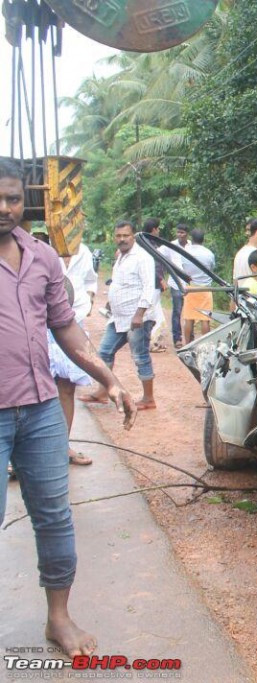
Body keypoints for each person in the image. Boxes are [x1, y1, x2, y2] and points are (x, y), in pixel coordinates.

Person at [0, 159, 137, 656]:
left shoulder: (42, 258)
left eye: (13, 198)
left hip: (38, 412)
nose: (5, 207)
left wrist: (110, 379)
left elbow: (69, 332)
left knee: (54, 517)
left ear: (25, 201)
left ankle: (58, 618)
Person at [30, 228, 99, 467]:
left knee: (66, 388)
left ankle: (62, 447)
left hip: (73, 321)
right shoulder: (40, 248)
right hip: (42, 325)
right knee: (35, 387)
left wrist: (89, 298)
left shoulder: (84, 252)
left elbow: (91, 279)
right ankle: (23, 456)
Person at [82, 220, 158, 410]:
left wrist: (139, 314)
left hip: (137, 318)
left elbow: (149, 287)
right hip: (118, 318)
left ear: (133, 236)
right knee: (105, 352)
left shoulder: (143, 257)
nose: (122, 239)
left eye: (126, 235)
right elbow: (120, 283)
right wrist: (111, 301)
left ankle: (148, 398)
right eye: (118, 236)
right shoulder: (121, 256)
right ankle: (102, 392)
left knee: (140, 356)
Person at [182, 228, 216, 344]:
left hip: (191, 288)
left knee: (188, 318)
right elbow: (211, 269)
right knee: (205, 319)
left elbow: (183, 268)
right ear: (203, 239)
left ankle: (187, 344)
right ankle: (205, 344)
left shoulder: (185, 252)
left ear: (191, 239)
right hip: (205, 289)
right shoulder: (208, 253)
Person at [142, 218, 168, 353]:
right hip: (152, 285)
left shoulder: (142, 244)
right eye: (158, 229)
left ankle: (154, 342)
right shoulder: (151, 247)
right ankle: (152, 343)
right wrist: (161, 279)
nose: (159, 231)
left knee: (155, 315)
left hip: (147, 285)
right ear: (153, 230)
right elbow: (155, 265)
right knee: (155, 316)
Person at [166, 224, 190, 349]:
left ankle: (189, 338)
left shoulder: (191, 246)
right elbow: (161, 257)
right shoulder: (171, 245)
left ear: (187, 233)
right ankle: (177, 338)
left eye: (182, 232)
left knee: (190, 312)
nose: (180, 235)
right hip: (176, 283)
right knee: (177, 311)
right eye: (178, 232)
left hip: (189, 284)